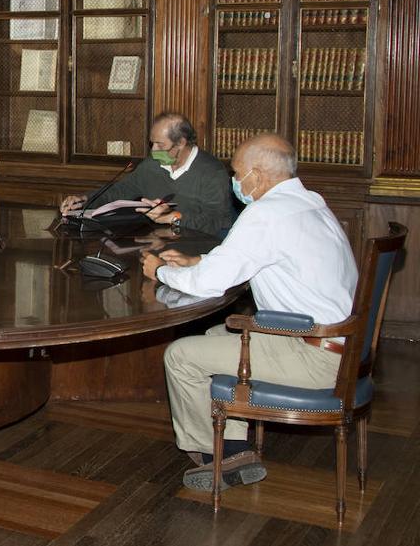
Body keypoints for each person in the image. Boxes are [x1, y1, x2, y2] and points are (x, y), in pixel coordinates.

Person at [141, 133, 357, 493]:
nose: (234, 181)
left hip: (311, 353)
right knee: (213, 337)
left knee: (180, 356)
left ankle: (216, 454)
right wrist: (199, 261)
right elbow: (256, 258)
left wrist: (160, 271)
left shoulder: (266, 213)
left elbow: (210, 284)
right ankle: (237, 446)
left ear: (257, 175)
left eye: (237, 172)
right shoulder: (309, 203)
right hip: (342, 344)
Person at [59, 112, 234, 235]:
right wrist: (85, 200)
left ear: (181, 143)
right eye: (152, 144)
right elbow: (120, 191)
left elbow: (216, 221)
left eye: (160, 145)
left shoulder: (212, 172)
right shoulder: (152, 164)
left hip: (198, 246)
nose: (154, 151)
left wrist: (174, 217)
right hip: (157, 241)